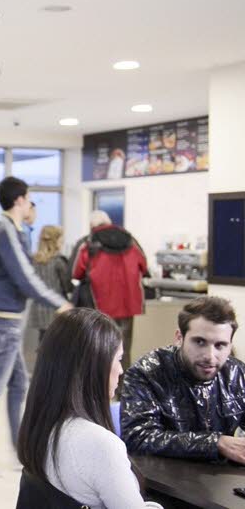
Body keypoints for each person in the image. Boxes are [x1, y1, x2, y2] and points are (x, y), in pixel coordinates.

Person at [0, 176, 71, 477]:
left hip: (4, 318)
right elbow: (24, 276)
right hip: (3, 321)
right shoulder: (6, 231)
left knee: (19, 382)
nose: (30, 202)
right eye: (29, 197)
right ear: (20, 199)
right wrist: (58, 302)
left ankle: (21, 451)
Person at [17, 308, 161, 509]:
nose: (121, 370)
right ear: (95, 366)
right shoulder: (99, 444)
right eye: (119, 359)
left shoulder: (41, 426)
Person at [121, 296, 245, 462]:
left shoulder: (238, 373)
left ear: (230, 345)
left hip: (220, 475)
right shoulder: (146, 374)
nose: (210, 356)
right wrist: (216, 443)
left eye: (220, 345)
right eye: (200, 342)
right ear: (179, 337)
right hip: (164, 475)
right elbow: (137, 438)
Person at [73, 216, 147, 369]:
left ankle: (101, 382)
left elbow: (77, 272)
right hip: (128, 303)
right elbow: (144, 265)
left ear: (92, 226)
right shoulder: (131, 240)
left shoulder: (90, 242)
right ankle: (121, 381)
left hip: (99, 303)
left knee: (99, 347)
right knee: (124, 347)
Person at [27, 226, 74, 343]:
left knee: (43, 340)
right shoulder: (59, 261)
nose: (62, 243)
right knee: (57, 342)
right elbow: (67, 286)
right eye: (61, 240)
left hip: (39, 308)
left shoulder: (33, 260)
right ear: (56, 241)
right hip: (56, 309)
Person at [69, 210, 112, 307]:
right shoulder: (127, 242)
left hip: (92, 296)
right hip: (119, 297)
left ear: (91, 225)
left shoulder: (85, 243)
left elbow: (75, 272)